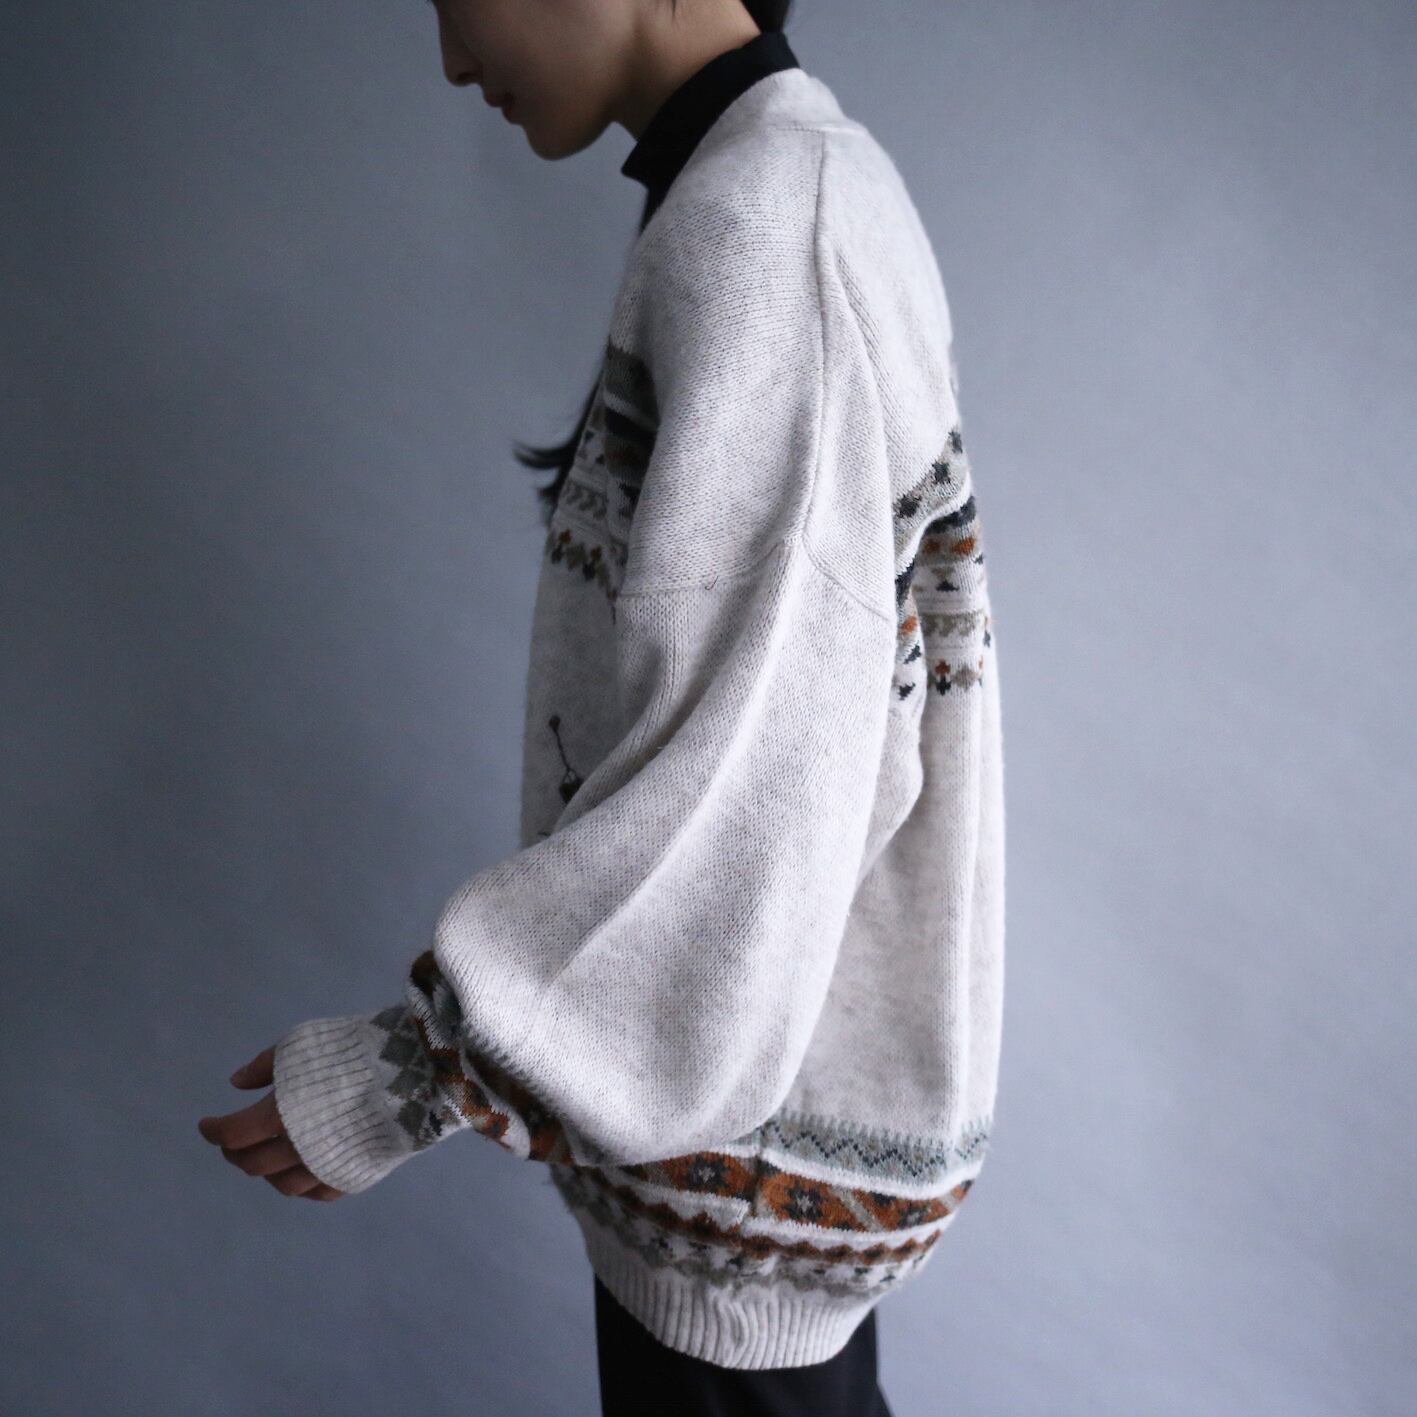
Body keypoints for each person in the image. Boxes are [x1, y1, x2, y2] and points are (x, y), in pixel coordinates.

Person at [197, 3, 1006, 1414]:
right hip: (740, 1170)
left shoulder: (770, 232)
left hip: (743, 1176)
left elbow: (759, 781)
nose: (452, 58)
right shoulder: (781, 183)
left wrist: (424, 1070)